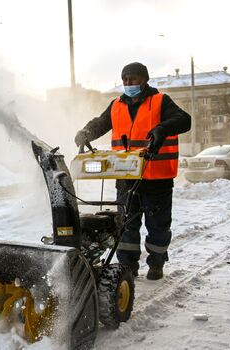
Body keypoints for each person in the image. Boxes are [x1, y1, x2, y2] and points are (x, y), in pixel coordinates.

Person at [74, 62, 191, 280]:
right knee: (125, 225)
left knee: (158, 226)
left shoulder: (160, 101)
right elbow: (101, 123)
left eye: (133, 79)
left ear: (144, 80)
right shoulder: (116, 105)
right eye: (125, 79)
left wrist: (162, 128)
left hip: (157, 177)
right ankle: (128, 268)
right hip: (126, 177)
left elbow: (184, 120)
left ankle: (156, 263)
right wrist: (86, 132)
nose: (128, 83)